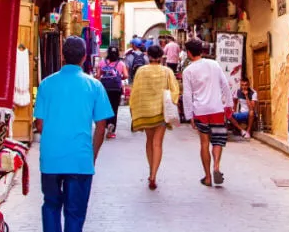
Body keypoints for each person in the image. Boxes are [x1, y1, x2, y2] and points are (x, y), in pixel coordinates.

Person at [34, 36, 113, 232]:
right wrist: (93, 153)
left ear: (62, 56)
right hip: (80, 158)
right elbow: (101, 125)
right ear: (83, 57)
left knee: (51, 205)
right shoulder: (94, 86)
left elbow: (39, 124)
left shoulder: (46, 84)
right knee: (75, 214)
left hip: (51, 158)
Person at [181, 38, 234, 187]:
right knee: (217, 141)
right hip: (217, 109)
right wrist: (229, 104)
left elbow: (187, 94)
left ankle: (208, 177)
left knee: (204, 143)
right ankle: (216, 166)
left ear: (189, 53)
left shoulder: (188, 71)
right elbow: (225, 85)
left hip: (200, 111)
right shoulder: (214, 64)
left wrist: (189, 115)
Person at [129, 44, 179, 190]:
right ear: (161, 56)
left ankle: (151, 170)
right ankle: (153, 175)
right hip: (161, 113)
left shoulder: (141, 71)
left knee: (149, 141)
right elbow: (175, 91)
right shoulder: (167, 71)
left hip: (146, 113)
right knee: (158, 143)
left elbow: (136, 92)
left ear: (148, 55)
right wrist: (170, 101)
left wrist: (134, 110)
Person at [96, 46, 127, 138]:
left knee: (105, 107)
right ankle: (111, 130)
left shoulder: (102, 62)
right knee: (114, 108)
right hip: (116, 89)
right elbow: (125, 75)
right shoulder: (121, 63)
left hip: (104, 88)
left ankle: (107, 123)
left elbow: (98, 76)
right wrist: (119, 77)